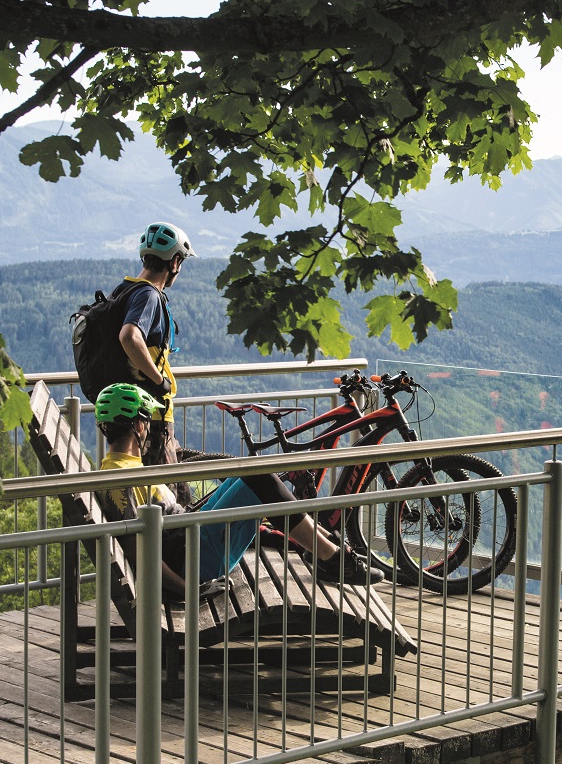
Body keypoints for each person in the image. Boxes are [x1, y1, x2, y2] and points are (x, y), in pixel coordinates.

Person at [93, 383, 386, 588]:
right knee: (260, 478)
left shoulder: (123, 468)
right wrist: (185, 589)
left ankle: (326, 548)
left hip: (191, 542)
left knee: (252, 473)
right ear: (139, 425)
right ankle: (332, 557)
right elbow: (138, 552)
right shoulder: (120, 480)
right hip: (192, 560)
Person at [117, 221, 192, 470]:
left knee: (174, 492)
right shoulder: (149, 295)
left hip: (135, 410)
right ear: (174, 262)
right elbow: (129, 336)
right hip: (151, 413)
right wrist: (159, 381)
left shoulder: (125, 289)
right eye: (180, 262)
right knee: (166, 498)